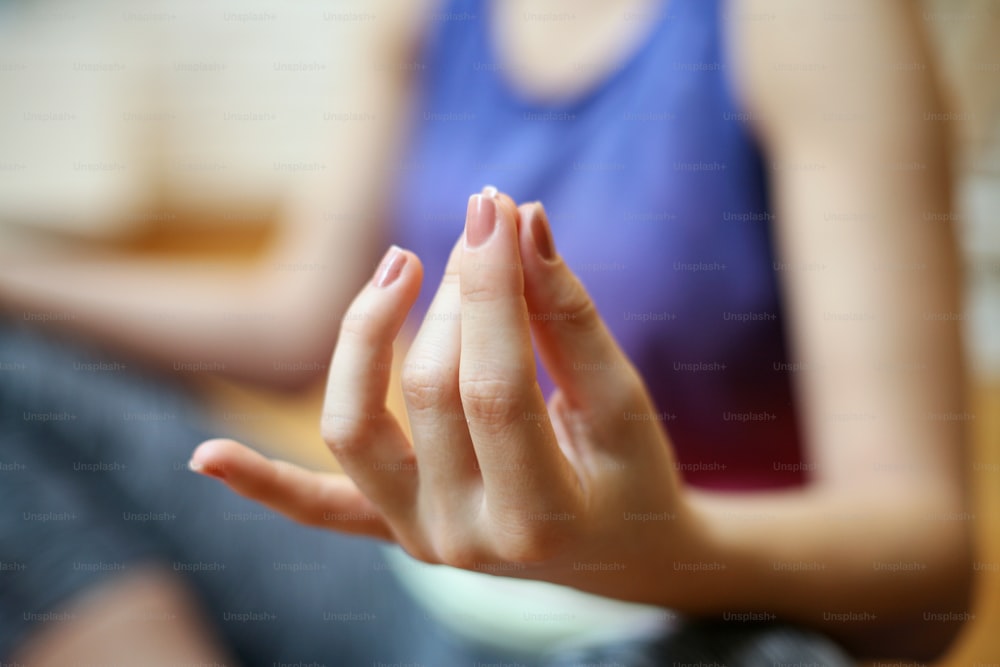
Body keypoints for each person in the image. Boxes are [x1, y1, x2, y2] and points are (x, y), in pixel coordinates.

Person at [0, 0, 972, 664]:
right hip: (423, 585)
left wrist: (657, 545)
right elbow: (291, 325)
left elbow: (926, 564)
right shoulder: (427, 12)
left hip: (692, 624)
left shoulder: (809, 23)